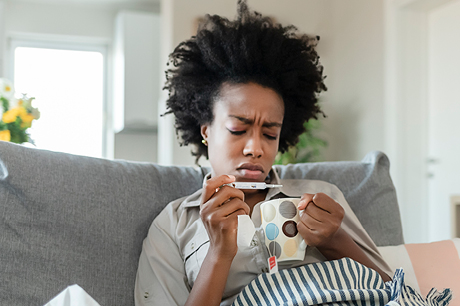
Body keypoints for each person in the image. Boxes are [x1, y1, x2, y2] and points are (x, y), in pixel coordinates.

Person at [135, 1, 392, 305]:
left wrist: (336, 240)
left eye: (270, 133)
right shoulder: (174, 224)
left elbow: (393, 294)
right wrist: (219, 252)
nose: (256, 148)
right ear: (206, 130)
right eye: (238, 130)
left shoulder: (323, 198)